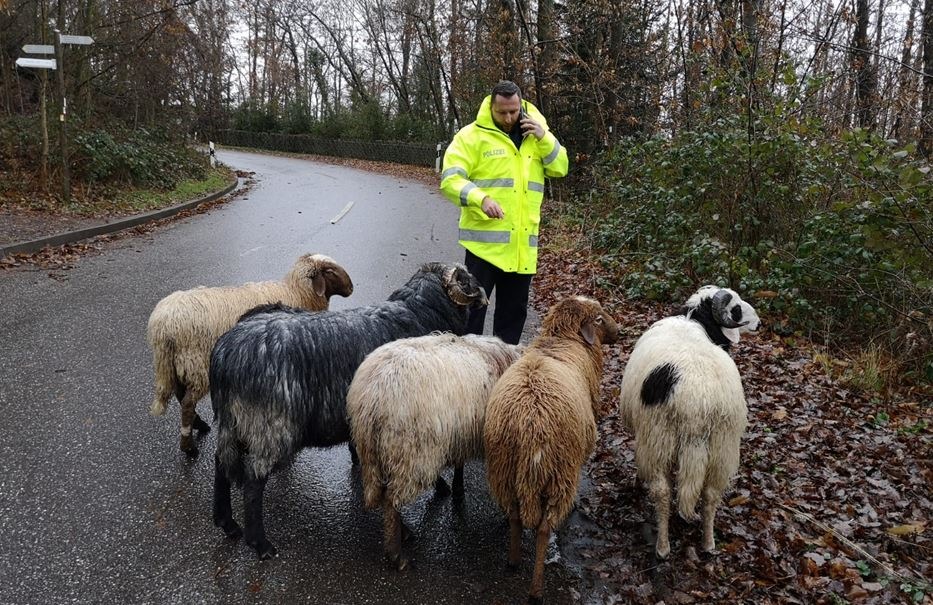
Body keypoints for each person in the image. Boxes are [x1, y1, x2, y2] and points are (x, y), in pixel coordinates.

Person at [439, 80, 569, 344]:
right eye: (502, 112)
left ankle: (502, 376)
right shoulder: (470, 136)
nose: (509, 118)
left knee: (511, 321)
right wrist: (481, 198)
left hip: (522, 247)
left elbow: (561, 167)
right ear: (491, 106)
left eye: (513, 111)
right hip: (483, 248)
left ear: (520, 105)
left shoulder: (537, 134)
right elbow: (450, 179)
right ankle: (467, 375)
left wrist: (544, 137)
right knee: (471, 319)